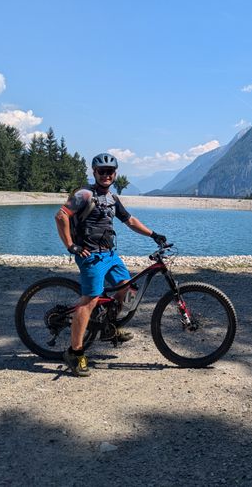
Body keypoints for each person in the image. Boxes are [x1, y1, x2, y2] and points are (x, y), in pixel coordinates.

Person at [54, 152, 166, 377]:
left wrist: (153, 234)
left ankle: (108, 328)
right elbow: (61, 216)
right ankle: (75, 353)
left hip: (110, 255)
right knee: (90, 301)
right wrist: (70, 246)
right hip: (90, 256)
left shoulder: (113, 199)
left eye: (110, 172)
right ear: (94, 172)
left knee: (128, 289)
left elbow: (130, 221)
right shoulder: (84, 194)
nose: (106, 175)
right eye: (101, 171)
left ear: (115, 174)